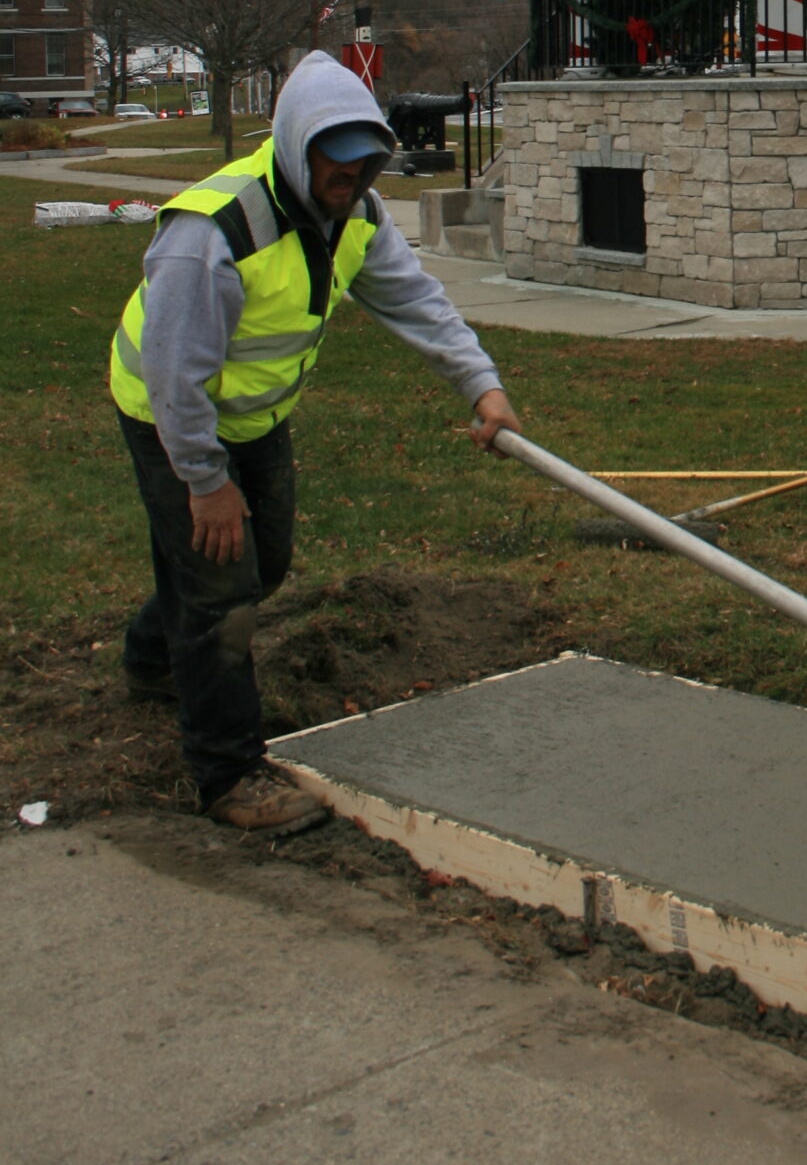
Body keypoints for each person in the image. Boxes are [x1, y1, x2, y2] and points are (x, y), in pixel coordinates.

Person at [109, 53, 521, 836]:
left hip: (255, 417)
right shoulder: (214, 232)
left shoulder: (355, 215)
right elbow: (172, 377)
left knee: (263, 563)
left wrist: (482, 384)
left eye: (367, 153)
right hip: (172, 419)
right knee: (221, 587)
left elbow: (416, 301)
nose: (354, 170)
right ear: (299, 145)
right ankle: (227, 772)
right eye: (336, 152)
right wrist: (203, 480)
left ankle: (151, 658)